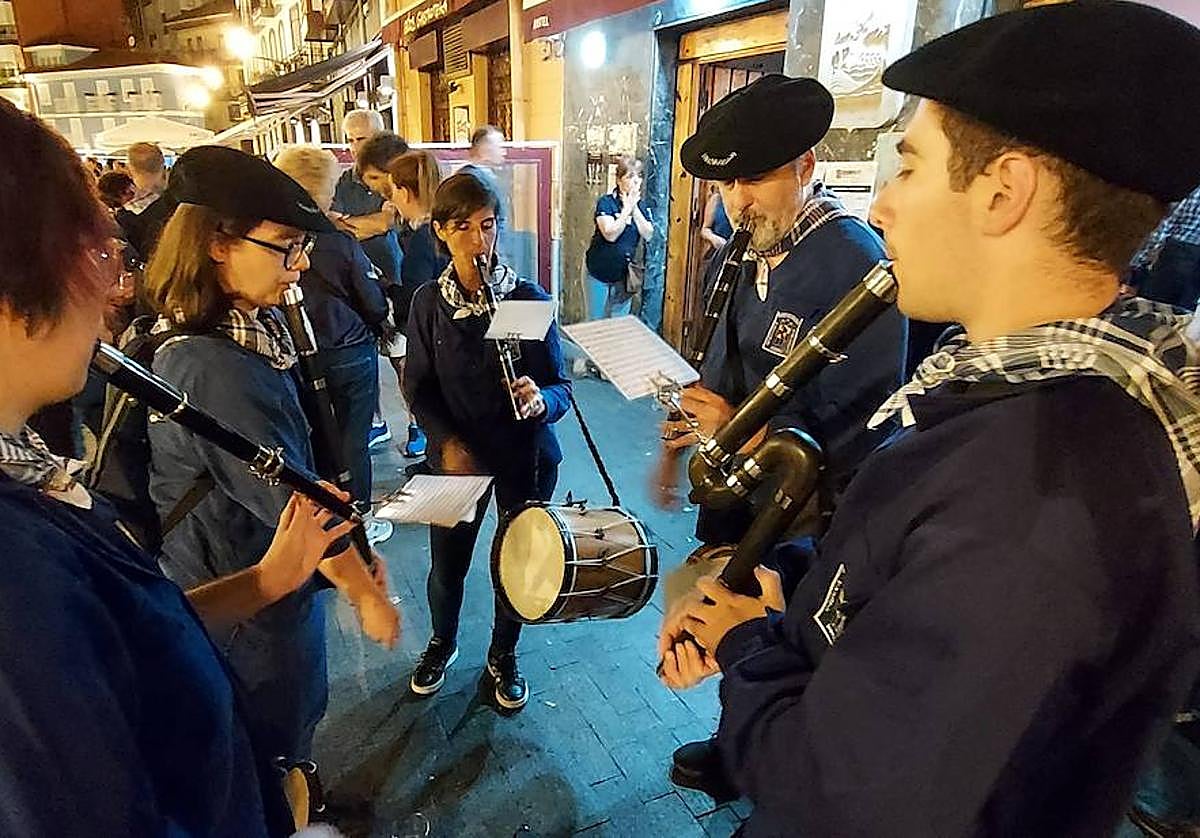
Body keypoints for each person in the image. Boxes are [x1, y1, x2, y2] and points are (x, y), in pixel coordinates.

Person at [659, 4, 1200, 835]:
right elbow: (901, 574)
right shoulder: (1019, 410)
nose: (882, 206)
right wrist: (787, 589)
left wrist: (744, 652)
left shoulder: (1043, 499)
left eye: (908, 167)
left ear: (1001, 192)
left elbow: (840, 792)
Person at [0, 98, 362, 837]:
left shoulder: (26, 482)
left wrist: (267, 580)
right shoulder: (14, 569)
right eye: (95, 252)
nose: (110, 283)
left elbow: (124, 638)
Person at [655, 73, 907, 796]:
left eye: (755, 179)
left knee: (782, 624)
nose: (737, 201)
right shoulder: (749, 248)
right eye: (727, 186)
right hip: (741, 483)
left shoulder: (855, 261)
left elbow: (868, 413)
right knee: (725, 604)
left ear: (807, 164)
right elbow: (721, 365)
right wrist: (691, 438)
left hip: (800, 506)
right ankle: (736, 733)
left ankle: (767, 753)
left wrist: (747, 423)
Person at [142, 145, 400, 773]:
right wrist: (364, 593)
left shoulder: (240, 329)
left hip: (249, 577)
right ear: (217, 244)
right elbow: (294, 503)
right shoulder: (213, 365)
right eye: (286, 246)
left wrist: (355, 552)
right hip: (244, 596)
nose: (301, 264)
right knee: (273, 732)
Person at [403, 171, 571, 711]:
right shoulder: (429, 303)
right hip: (456, 460)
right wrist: (444, 440)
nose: (479, 241)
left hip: (524, 453)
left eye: (489, 226)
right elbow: (418, 387)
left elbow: (560, 386)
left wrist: (541, 398)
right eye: (464, 228)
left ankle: (504, 654)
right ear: (441, 232)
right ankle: (442, 642)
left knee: (517, 563)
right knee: (447, 567)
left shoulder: (523, 298)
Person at [274, 144, 394, 546]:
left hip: (296, 353)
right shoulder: (337, 241)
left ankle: (322, 517)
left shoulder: (274, 238)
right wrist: (383, 317)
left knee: (314, 436)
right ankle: (356, 518)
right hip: (349, 351)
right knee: (352, 440)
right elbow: (371, 300)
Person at [331, 111, 408, 451]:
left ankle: (417, 424)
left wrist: (353, 224)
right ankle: (376, 421)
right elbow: (332, 224)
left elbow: (385, 223)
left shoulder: (397, 176)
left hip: (392, 280)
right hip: (355, 283)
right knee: (365, 356)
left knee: (402, 357)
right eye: (349, 138)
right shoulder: (343, 181)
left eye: (361, 139)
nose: (353, 146)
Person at [584, 155, 654, 320]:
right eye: (630, 176)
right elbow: (610, 234)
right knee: (596, 321)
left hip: (623, 277)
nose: (636, 181)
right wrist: (625, 210)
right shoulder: (606, 203)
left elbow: (648, 234)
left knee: (619, 323)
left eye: (639, 176)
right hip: (598, 273)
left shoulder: (642, 207)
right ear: (619, 180)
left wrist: (634, 208)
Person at [1128, 183, 1200, 310]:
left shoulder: (1192, 183)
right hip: (1188, 258)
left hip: (1178, 253)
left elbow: (1165, 224)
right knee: (1183, 314)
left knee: (1149, 309)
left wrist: (1138, 262)